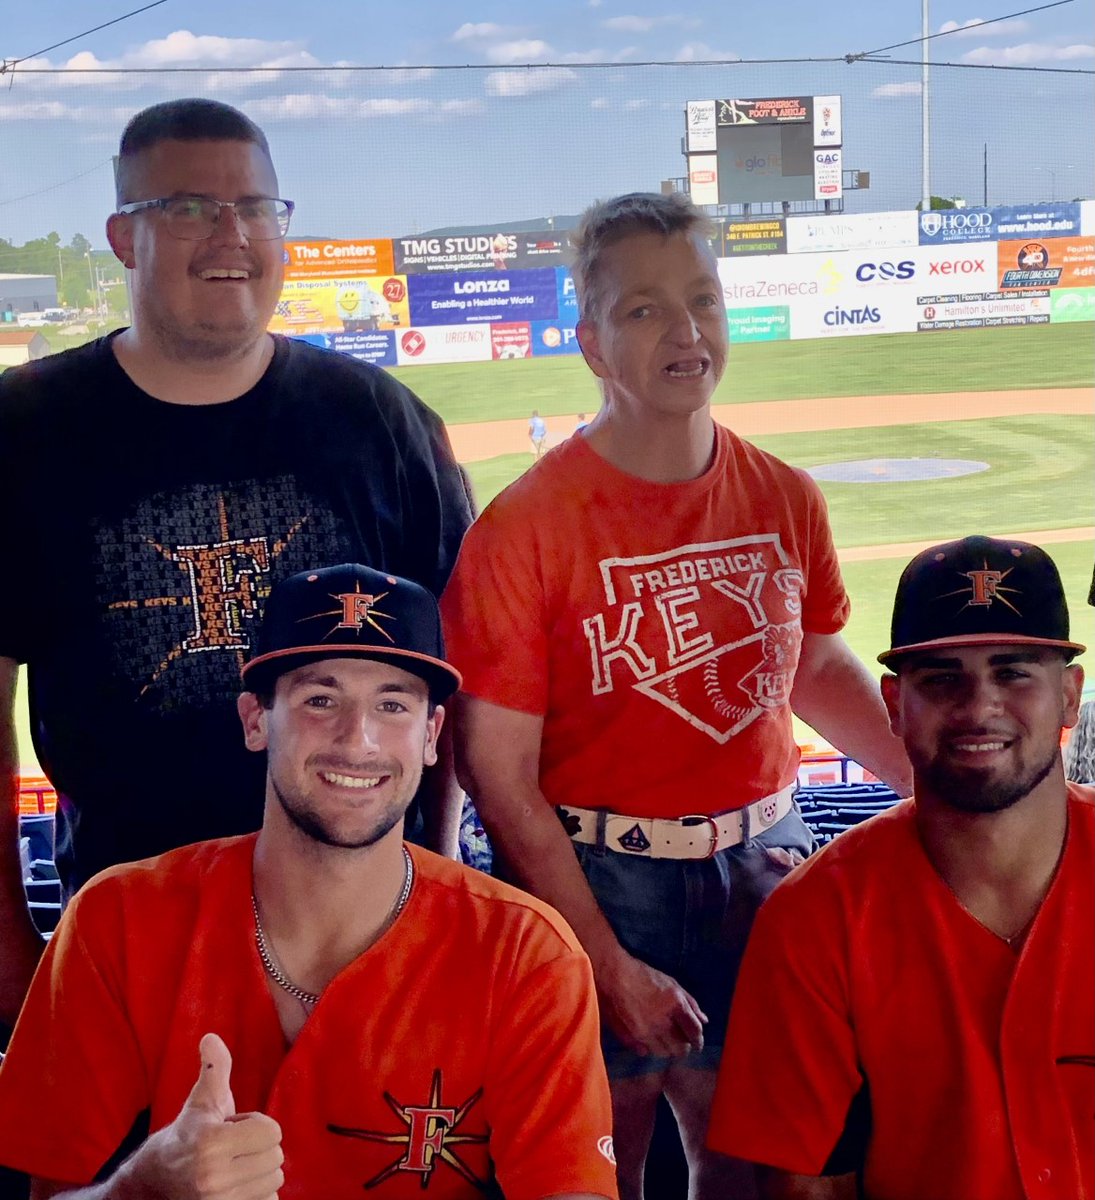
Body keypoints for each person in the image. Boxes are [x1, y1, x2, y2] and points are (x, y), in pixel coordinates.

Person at [440, 192, 912, 1200]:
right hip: (600, 875)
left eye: (703, 299)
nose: (685, 330)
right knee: (599, 1155)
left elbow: (815, 665)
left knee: (750, 1162)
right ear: (593, 344)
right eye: (645, 309)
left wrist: (931, 791)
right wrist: (606, 962)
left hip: (767, 863)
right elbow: (499, 776)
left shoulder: (785, 493)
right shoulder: (525, 529)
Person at [0, 99, 473, 1026]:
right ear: (122, 237)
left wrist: (446, 865)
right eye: (188, 207)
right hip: (136, 932)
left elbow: (456, 675)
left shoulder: (381, 419)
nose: (232, 233)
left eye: (257, 208)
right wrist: (8, 943)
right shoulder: (26, 432)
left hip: (372, 927)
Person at [0, 563, 618, 1200]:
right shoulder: (117, 920)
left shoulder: (527, 953)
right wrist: (140, 1192)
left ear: (432, 735)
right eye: (320, 699)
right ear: (256, 720)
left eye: (393, 703)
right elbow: (49, 1189)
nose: (359, 739)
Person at [708, 535, 1092, 1200]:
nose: (978, 707)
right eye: (942, 678)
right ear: (892, 704)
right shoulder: (815, 921)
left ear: (1067, 695)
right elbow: (807, 1187)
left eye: (1012, 672)